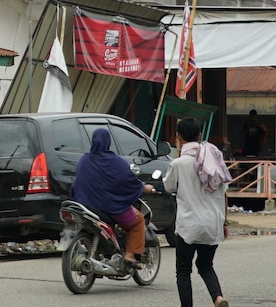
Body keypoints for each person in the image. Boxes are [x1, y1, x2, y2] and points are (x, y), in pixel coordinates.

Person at [163, 117, 231, 307]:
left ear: (178, 137)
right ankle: (217, 297)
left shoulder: (178, 164)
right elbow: (224, 194)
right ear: (199, 135)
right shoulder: (214, 159)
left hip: (189, 225)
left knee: (183, 270)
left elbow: (168, 187)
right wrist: (225, 223)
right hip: (212, 223)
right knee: (205, 265)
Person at [71, 128, 156, 268]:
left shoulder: (84, 159)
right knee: (138, 221)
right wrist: (143, 188)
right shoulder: (116, 162)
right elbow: (129, 182)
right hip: (110, 207)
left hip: (85, 206)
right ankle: (129, 255)